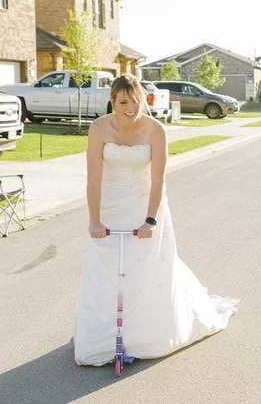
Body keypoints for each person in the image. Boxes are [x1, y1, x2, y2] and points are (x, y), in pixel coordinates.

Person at [74, 75, 237, 366]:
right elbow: (94, 179)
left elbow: (159, 178)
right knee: (105, 273)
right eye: (123, 101)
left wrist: (150, 219)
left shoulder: (155, 130)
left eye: (136, 100)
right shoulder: (99, 128)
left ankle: (141, 336)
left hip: (145, 205)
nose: (130, 107)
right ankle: (102, 337)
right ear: (112, 100)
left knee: (146, 271)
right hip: (110, 207)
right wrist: (94, 220)